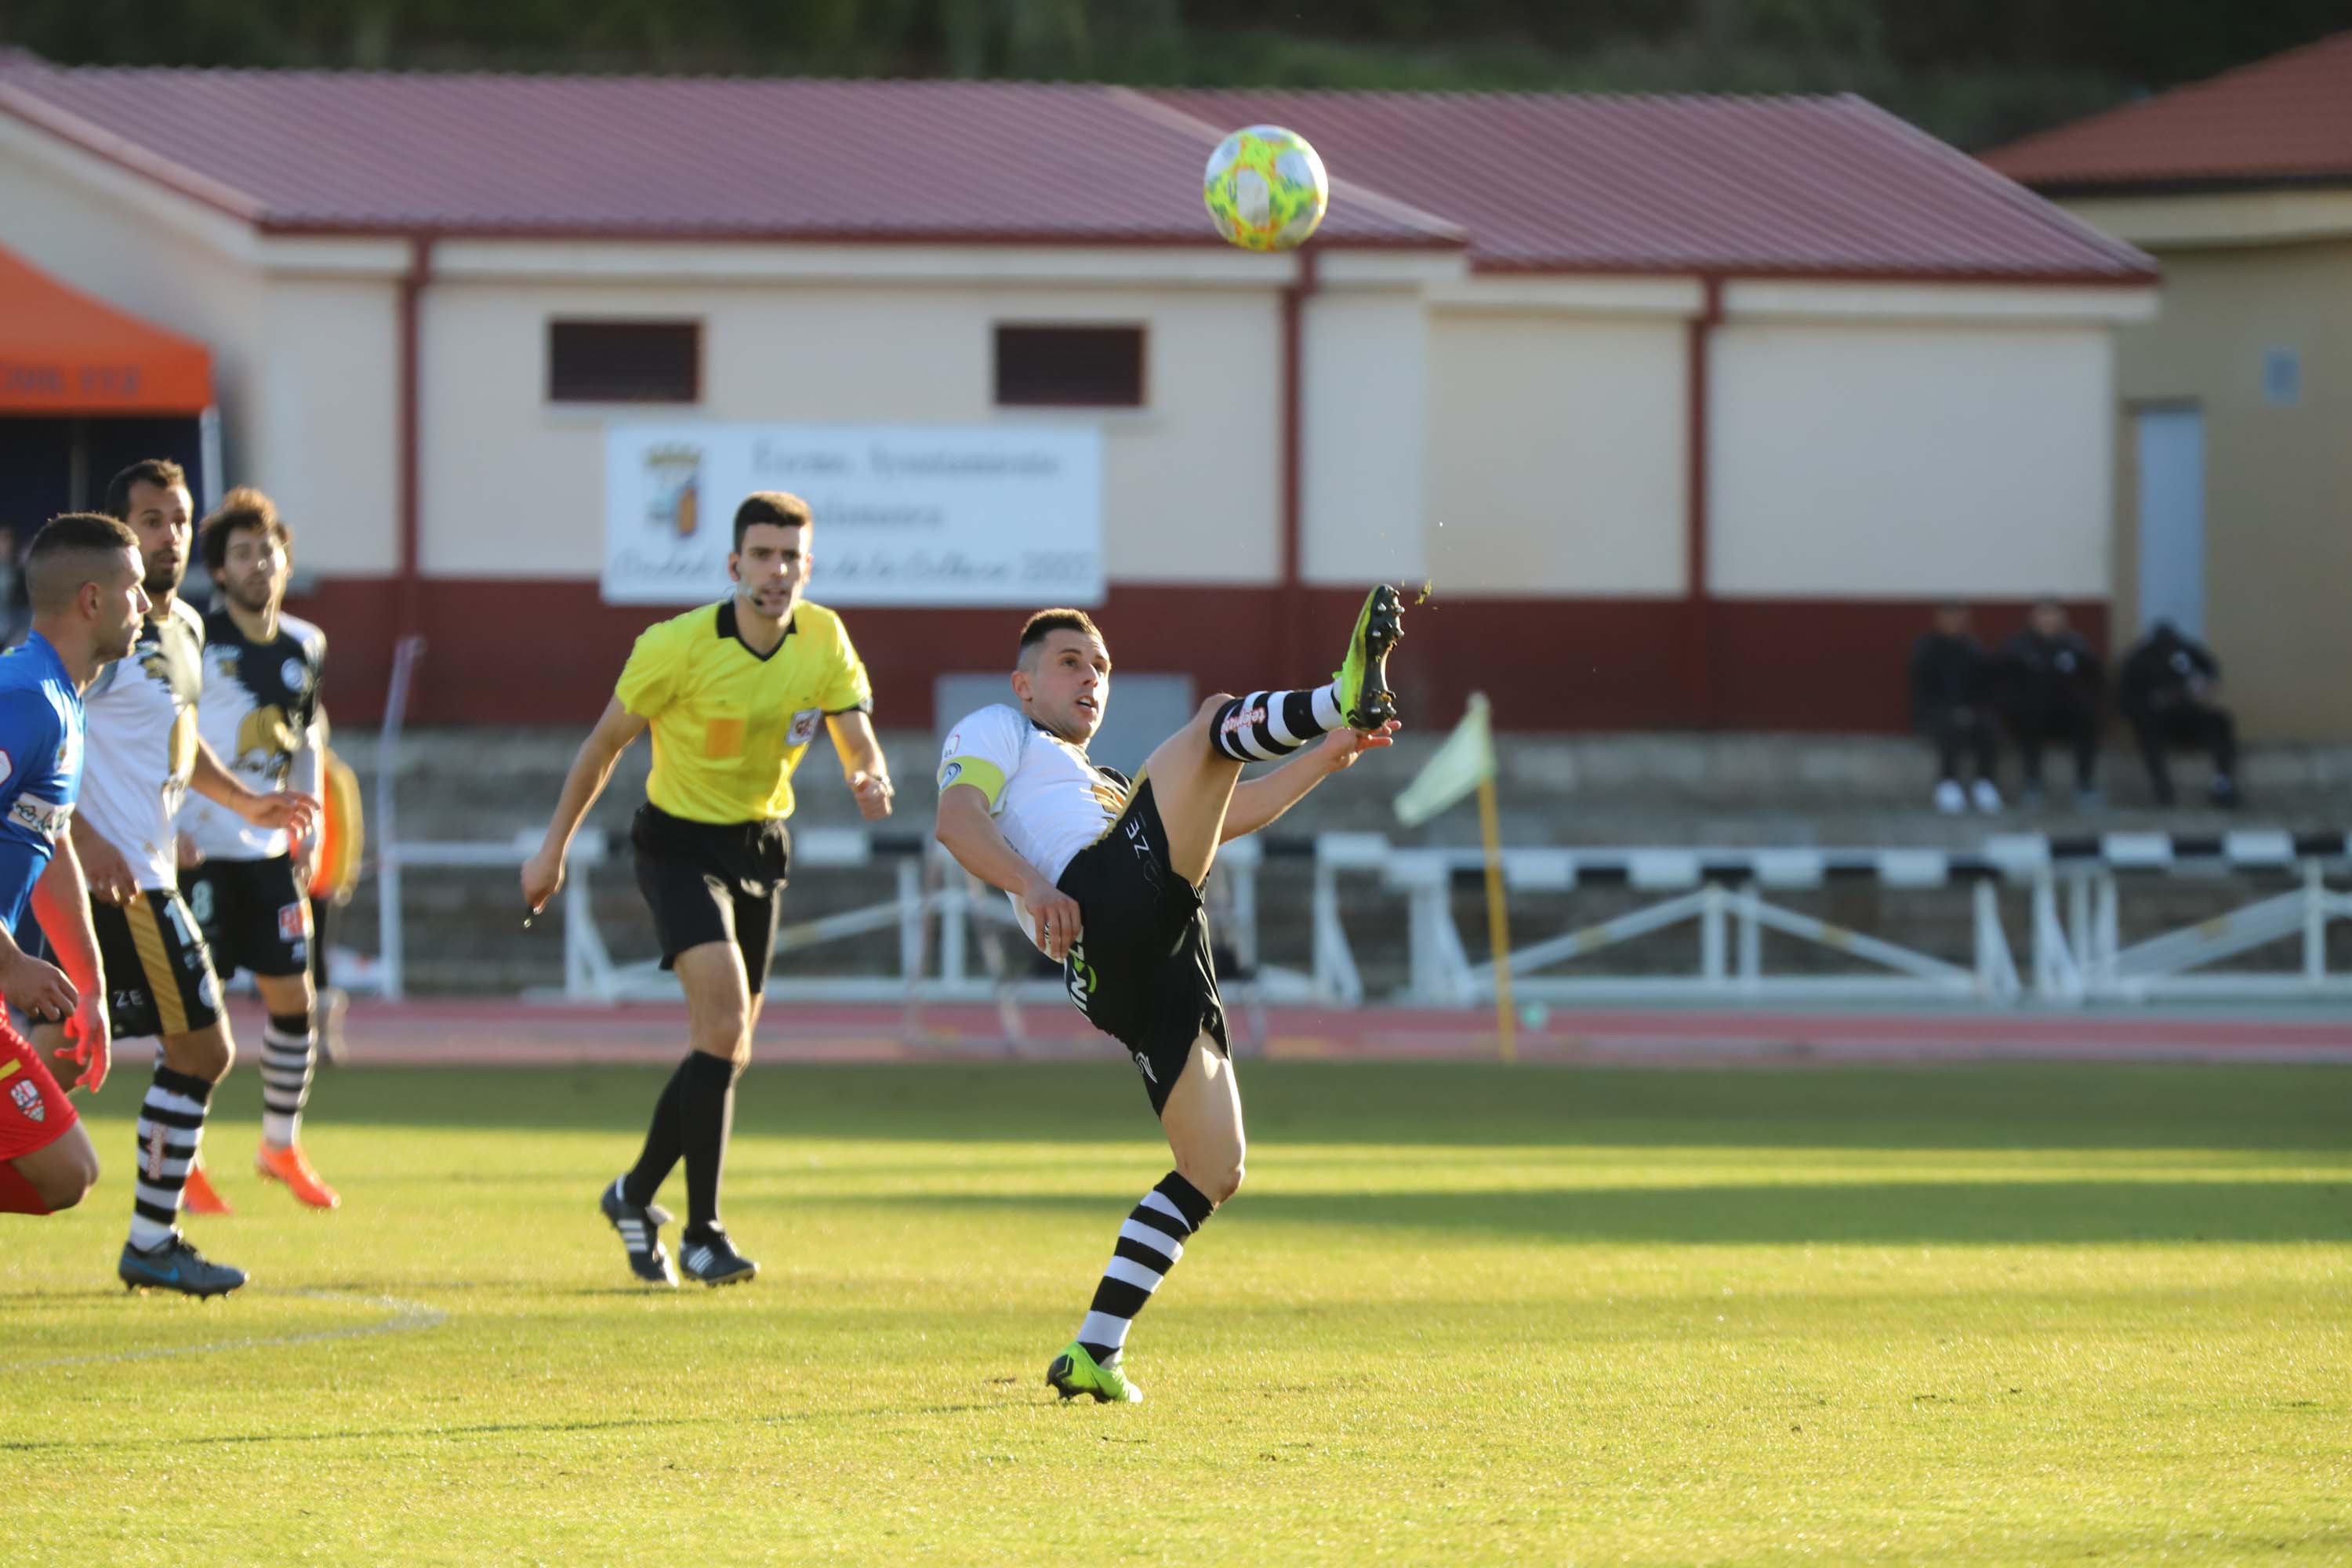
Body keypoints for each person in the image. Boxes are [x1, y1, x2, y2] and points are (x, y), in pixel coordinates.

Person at [933, 589, 1404, 1404]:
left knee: (1215, 1165)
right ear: (1024, 683)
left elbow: (1223, 814)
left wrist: (1323, 757)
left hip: (1155, 954)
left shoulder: (1108, 782)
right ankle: (1338, 687)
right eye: (1070, 662)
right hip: (1100, 900)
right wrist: (1034, 884)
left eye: (1102, 667)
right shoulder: (997, 730)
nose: (1091, 678)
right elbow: (955, 818)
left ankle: (1094, 1350)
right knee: (1216, 719)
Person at [522, 492, 892, 1289]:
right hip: (676, 843)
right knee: (722, 1019)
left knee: (729, 1044)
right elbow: (603, 744)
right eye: (762, 554)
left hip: (760, 845)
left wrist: (869, 772)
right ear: (734, 565)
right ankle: (702, 1233)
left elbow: (855, 730)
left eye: (791, 555)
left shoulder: (823, 636)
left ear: (808, 566)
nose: (777, 569)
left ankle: (632, 1193)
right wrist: (552, 848)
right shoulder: (676, 646)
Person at [27, 460, 318, 1298]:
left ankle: (153, 1236)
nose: (171, 536)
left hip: (143, 870)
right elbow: (48, 748)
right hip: (116, 882)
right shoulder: (101, 634)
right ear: (120, 534)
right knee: (196, 1046)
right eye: (150, 520)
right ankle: (153, 1236)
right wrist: (84, 836)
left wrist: (247, 803)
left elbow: (181, 744)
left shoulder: (185, 626)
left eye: (180, 519)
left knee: (62, 1047)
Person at [175, 488, 339, 1205]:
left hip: (270, 849)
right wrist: (169, 822)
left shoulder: (308, 643)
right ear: (218, 570)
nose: (259, 564)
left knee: (293, 999)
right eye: (242, 553)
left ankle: (280, 1144)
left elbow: (307, 737)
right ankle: (185, 1156)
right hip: (201, 847)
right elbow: (168, 732)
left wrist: (316, 826)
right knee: (194, 1012)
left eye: (268, 551)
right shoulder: (193, 638)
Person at [0, 514, 148, 1219]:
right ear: (93, 600)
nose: (146, 606)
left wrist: (90, 987)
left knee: (69, 1176)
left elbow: (50, 841)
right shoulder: (24, 698)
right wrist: (10, 963)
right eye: (135, 589)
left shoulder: (66, 702)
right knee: (61, 1172)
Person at [1996, 598, 2105, 809]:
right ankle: (2033, 783)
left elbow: (2094, 678)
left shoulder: (2076, 645)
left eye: (2054, 615)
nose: (2049, 621)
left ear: (2063, 619)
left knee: (2087, 719)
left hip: (2067, 712)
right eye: (2043, 615)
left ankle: (2085, 784)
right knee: (2030, 718)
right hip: (2032, 712)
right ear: (2033, 619)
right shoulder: (2019, 646)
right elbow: (2006, 682)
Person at [2119, 620, 2239, 808]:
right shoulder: (2140, 658)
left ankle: (2222, 783)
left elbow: (2211, 671)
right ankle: (2162, 786)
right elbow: (2126, 698)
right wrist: (2156, 702)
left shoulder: (2187, 651)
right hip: (2158, 721)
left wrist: (2203, 687)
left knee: (2221, 721)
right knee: (2147, 729)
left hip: (2190, 716)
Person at [1907, 602, 2002, 814]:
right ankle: (1947, 783)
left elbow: (1984, 685)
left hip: (1970, 709)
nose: (1954, 622)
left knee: (1989, 725)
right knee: (1952, 727)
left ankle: (1984, 783)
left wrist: (1974, 709)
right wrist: (1950, 709)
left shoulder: (1973, 647)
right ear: (1939, 619)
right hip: (1935, 710)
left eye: (1958, 617)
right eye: (1948, 617)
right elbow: (1923, 690)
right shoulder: (1926, 649)